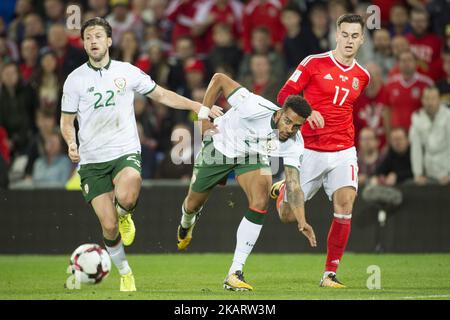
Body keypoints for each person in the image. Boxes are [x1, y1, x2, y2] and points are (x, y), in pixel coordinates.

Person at [60, 17, 223, 292]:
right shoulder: (74, 80)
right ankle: (125, 272)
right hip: (91, 160)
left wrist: (200, 107)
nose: (93, 41)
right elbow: (66, 121)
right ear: (84, 43)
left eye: (98, 36)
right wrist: (70, 142)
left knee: (130, 186)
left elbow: (161, 95)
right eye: (88, 37)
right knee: (109, 228)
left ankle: (126, 214)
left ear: (109, 41)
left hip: (124, 150)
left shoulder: (127, 71)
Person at [177, 72, 316, 291]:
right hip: (219, 146)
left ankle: (235, 272)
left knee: (261, 200)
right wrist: (203, 119)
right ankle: (186, 223)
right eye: (288, 121)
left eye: (297, 126)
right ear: (279, 114)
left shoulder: (295, 142)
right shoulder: (253, 105)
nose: (290, 130)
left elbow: (294, 184)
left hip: (251, 157)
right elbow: (219, 79)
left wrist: (301, 220)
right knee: (193, 204)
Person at [274, 14, 370, 288]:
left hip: (343, 150)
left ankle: (329, 273)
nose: (349, 40)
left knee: (345, 204)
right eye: (345, 34)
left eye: (355, 36)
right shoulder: (313, 63)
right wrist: (309, 110)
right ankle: (281, 189)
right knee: (286, 215)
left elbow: (346, 109)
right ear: (336, 35)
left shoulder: (363, 76)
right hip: (309, 150)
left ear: (362, 39)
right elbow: (283, 96)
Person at [409, 86, 450, 186]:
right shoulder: (417, 117)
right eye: (426, 98)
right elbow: (416, 148)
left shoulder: (448, 116)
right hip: (429, 172)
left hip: (447, 168)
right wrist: (418, 174)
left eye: (433, 98)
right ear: (422, 100)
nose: (429, 102)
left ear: (439, 100)